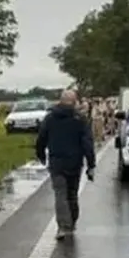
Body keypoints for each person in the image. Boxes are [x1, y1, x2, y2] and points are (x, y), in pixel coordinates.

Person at [34, 88, 96, 238]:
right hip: (74, 162)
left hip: (57, 162)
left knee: (60, 194)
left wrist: (41, 155)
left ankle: (63, 226)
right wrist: (91, 164)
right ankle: (71, 223)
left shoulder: (50, 118)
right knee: (72, 194)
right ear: (74, 102)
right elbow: (87, 142)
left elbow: (41, 138)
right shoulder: (80, 119)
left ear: (60, 101)